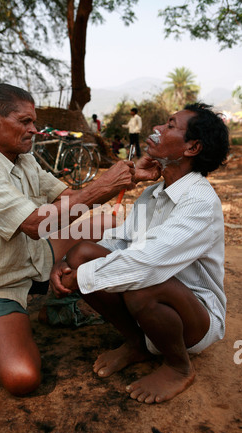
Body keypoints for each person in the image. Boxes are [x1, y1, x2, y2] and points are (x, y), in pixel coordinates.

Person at [0, 83, 136, 396]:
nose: (34, 129)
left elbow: (68, 197)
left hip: (33, 256)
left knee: (104, 221)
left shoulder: (24, 158)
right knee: (23, 378)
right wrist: (102, 186)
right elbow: (37, 224)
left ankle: (51, 290)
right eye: (25, 122)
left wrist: (129, 178)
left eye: (33, 122)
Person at [50, 103, 229, 404]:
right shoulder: (153, 194)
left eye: (170, 126)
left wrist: (82, 278)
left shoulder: (199, 201)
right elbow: (120, 242)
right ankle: (137, 344)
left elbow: (147, 263)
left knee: (140, 283)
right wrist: (68, 265)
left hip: (194, 318)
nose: (157, 129)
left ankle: (178, 366)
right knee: (82, 252)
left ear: (193, 147)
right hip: (152, 288)